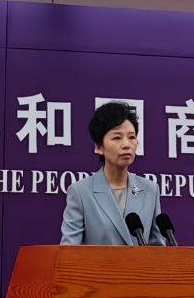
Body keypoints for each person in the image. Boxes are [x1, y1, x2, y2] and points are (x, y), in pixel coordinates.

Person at [60, 102, 166, 246]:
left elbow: (158, 248)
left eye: (132, 137)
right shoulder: (81, 192)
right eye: (117, 138)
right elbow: (69, 250)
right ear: (99, 147)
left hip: (141, 263)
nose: (126, 145)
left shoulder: (150, 190)